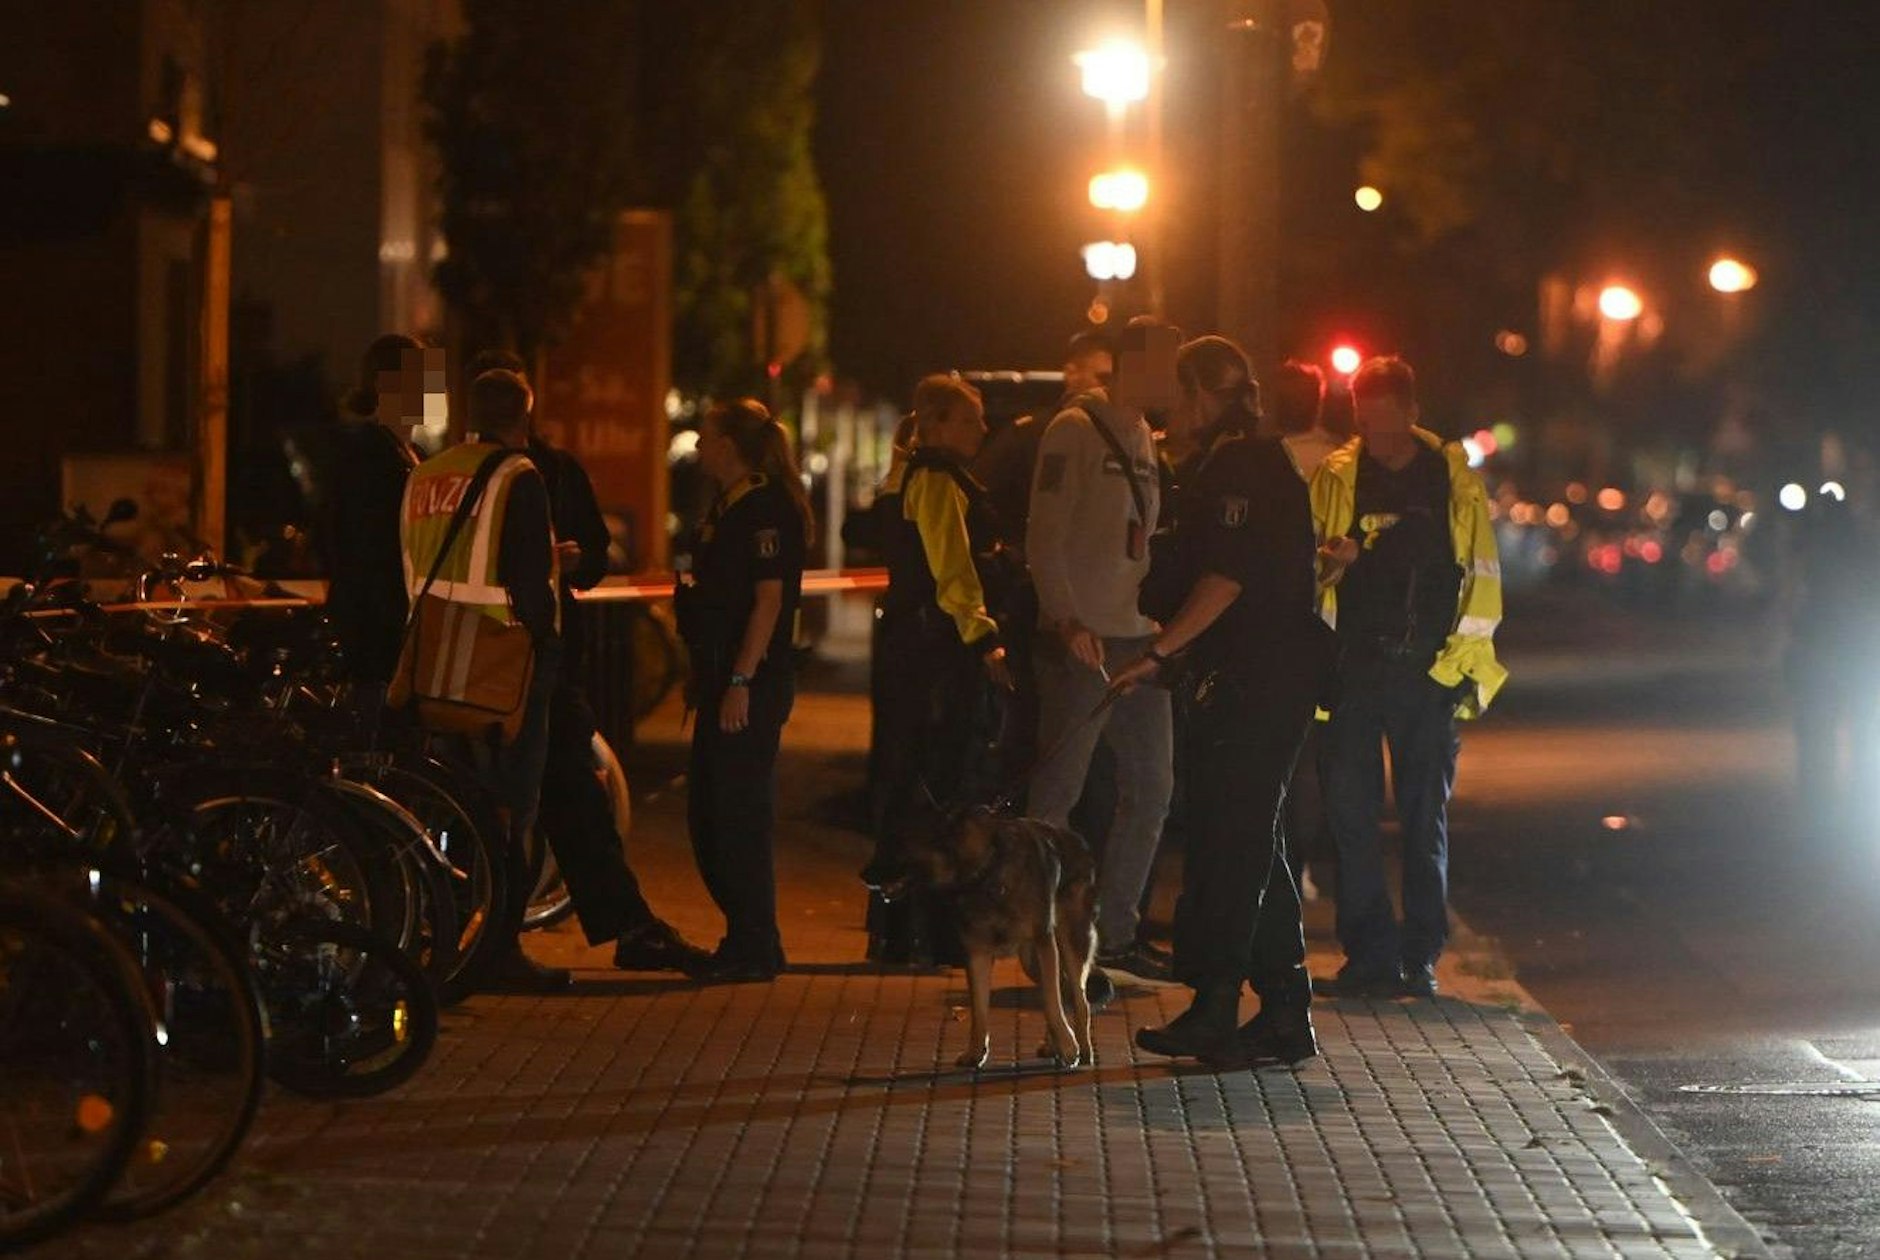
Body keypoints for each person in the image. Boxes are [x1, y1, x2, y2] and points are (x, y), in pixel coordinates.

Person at [1112, 335, 1328, 1067]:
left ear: (1203, 396)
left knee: (1229, 846)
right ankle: (1285, 1011)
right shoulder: (1224, 464)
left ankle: (1214, 1009)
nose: (1172, 408)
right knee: (1249, 842)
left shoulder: (1242, 465)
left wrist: (1158, 653)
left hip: (1258, 681)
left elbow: (1227, 578)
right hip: (1244, 679)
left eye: (1180, 394)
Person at [465, 349, 710, 974]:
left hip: (492, 659)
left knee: (551, 795)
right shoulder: (504, 472)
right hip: (518, 660)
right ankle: (517, 940)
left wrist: (574, 560)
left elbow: (597, 555)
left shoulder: (540, 471)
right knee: (539, 798)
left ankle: (590, 928)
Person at [1310, 356, 1507, 1000]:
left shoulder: (1451, 479)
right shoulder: (1338, 476)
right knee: (1350, 817)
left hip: (1428, 671)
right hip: (1353, 669)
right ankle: (1368, 955)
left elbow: (1478, 576)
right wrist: (1331, 563)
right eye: (1368, 422)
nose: (1379, 436)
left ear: (1412, 412)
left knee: (1425, 819)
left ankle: (1420, 955)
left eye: (1389, 421)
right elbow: (1308, 572)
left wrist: (1458, 667)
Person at [400, 368, 568, 991]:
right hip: (499, 668)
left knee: (449, 808)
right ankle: (497, 952)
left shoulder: (424, 474)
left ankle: (448, 942)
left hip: (432, 664)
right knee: (510, 816)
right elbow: (527, 582)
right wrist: (546, 641)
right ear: (523, 416)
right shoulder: (517, 476)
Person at [1025, 325, 1174, 982]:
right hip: (1084, 638)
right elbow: (1044, 535)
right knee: (1059, 791)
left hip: (1139, 636)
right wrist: (1064, 619)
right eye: (1165, 365)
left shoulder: (1147, 437)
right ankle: (1036, 939)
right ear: (1134, 365)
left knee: (1152, 787)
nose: (1174, 379)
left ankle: (1115, 933)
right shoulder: (1075, 430)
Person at [862, 375, 1017, 964]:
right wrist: (985, 640)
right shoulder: (936, 480)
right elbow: (953, 570)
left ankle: (903, 930)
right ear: (938, 423)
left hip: (915, 646)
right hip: (937, 649)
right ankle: (926, 931)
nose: (983, 428)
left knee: (913, 780)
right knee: (939, 782)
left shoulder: (911, 477)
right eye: (971, 418)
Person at [673, 399, 811, 982]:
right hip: (723, 680)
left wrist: (739, 681)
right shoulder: (729, 507)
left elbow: (768, 602)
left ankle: (753, 944)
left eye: (706, 438)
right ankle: (750, 938)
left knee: (736, 817)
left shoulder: (763, 509)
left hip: (747, 686)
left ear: (729, 444)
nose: (700, 447)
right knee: (711, 814)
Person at [1270, 360, 1337, 904]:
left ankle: (1273, 868)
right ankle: (1302, 870)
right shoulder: (1339, 460)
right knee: (1314, 760)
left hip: (1276, 630)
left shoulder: (1265, 460)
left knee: (1274, 759)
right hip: (1328, 631)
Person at [322, 333, 424, 691]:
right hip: (376, 625)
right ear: (385, 384)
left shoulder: (416, 456)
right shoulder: (365, 453)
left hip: (405, 621)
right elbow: (362, 545)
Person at [972, 331, 1115, 553]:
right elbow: (978, 495)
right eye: (1102, 378)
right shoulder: (1030, 435)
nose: (1109, 389)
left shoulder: (1120, 439)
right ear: (1072, 374)